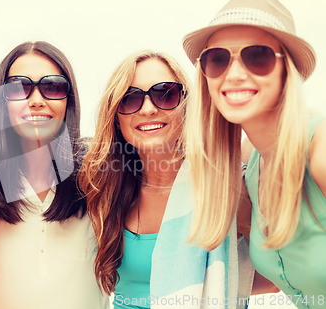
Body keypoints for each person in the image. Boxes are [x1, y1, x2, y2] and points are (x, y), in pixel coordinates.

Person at [183, 0, 326, 308]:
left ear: (287, 70)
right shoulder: (249, 167)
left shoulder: (319, 150)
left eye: (257, 56)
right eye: (217, 59)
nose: (233, 75)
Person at [79, 51, 242, 309]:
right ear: (116, 118)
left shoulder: (222, 184)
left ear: (186, 104)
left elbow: (268, 277)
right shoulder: (102, 186)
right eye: (129, 99)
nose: (148, 108)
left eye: (166, 94)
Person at [0, 41, 109, 309]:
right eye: (19, 88)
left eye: (52, 87)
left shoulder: (97, 175)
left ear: (69, 99)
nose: (36, 101)